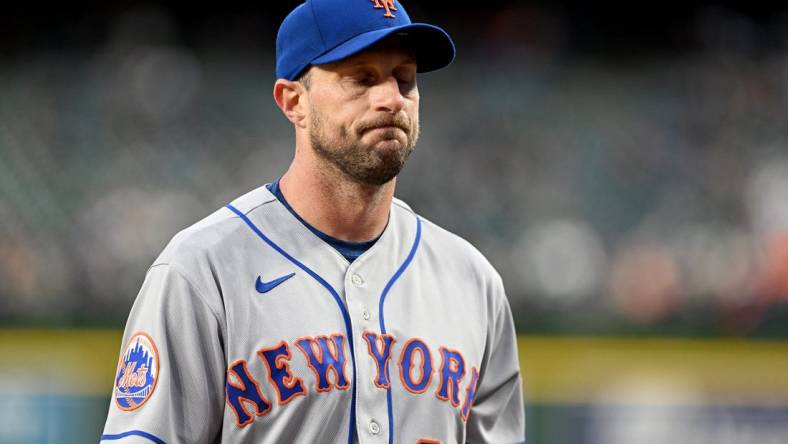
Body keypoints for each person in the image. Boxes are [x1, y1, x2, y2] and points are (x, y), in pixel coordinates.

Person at [101, 1, 525, 443]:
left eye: (405, 79)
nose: (390, 98)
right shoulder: (202, 270)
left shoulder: (472, 281)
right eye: (361, 79)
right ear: (293, 101)